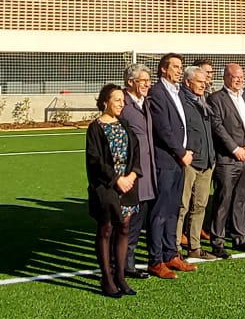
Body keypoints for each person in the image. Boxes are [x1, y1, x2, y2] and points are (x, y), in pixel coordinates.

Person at [85, 83, 142, 298]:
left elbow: (136, 153)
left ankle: (120, 276)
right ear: (105, 102)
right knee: (106, 229)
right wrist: (117, 179)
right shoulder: (96, 128)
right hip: (107, 186)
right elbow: (95, 160)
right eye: (117, 100)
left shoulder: (125, 124)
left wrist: (132, 176)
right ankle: (106, 279)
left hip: (128, 184)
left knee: (124, 228)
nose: (122, 104)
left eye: (123, 100)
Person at [144, 53, 198, 277]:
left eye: (180, 66)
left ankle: (170, 254)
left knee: (173, 210)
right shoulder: (157, 92)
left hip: (179, 161)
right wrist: (180, 152)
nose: (179, 70)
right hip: (166, 160)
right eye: (175, 66)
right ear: (163, 69)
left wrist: (188, 150)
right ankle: (155, 260)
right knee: (160, 211)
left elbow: (184, 125)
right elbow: (163, 129)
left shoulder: (177, 92)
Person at [206, 62, 245, 259]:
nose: (239, 80)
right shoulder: (215, 99)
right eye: (235, 76)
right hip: (228, 159)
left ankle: (239, 237)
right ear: (225, 77)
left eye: (241, 77)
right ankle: (217, 241)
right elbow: (217, 127)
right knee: (223, 199)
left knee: (241, 199)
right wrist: (235, 149)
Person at [118, 64, 160, 280]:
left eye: (148, 79)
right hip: (130, 176)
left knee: (136, 224)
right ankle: (124, 266)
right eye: (142, 80)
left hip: (146, 175)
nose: (147, 83)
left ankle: (128, 264)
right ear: (130, 82)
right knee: (126, 225)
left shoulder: (146, 103)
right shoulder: (122, 105)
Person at [178, 64, 217, 260]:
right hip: (190, 162)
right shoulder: (181, 101)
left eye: (205, 81)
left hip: (207, 160)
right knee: (182, 207)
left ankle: (194, 246)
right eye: (200, 82)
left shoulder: (203, 101)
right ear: (187, 82)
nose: (204, 85)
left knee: (200, 206)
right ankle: (175, 248)